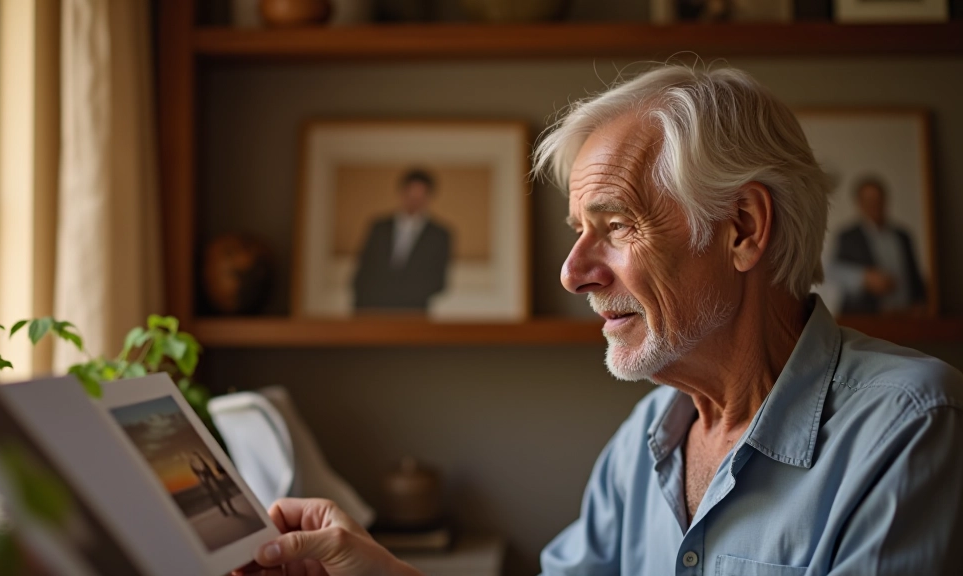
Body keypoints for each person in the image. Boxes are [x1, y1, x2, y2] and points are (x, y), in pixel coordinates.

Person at [237, 66, 963, 576]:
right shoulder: (645, 442)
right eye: (577, 231)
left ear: (743, 228)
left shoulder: (911, 427)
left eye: (614, 227)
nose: (573, 271)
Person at [352, 169, 452, 313]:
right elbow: (363, 270)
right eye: (411, 194)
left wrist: (404, 297)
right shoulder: (379, 227)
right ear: (402, 193)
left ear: (429, 198)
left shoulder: (439, 235)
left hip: (412, 312)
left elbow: (438, 281)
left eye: (420, 196)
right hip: (371, 309)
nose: (414, 201)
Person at [828, 177, 927, 315]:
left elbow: (914, 275)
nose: (874, 205)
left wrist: (920, 302)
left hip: (904, 314)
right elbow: (833, 271)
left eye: (878, 200)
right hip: (865, 316)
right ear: (859, 203)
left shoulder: (903, 236)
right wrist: (864, 278)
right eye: (869, 201)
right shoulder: (848, 237)